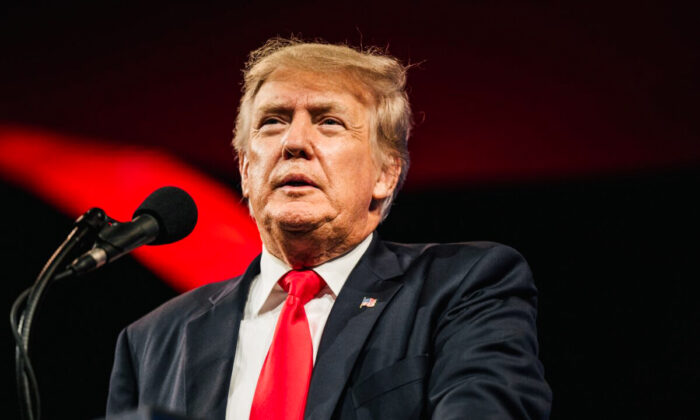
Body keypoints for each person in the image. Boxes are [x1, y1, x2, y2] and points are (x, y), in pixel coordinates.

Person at [106, 38, 552, 419]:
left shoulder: (462, 286)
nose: (294, 143)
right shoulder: (153, 339)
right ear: (245, 170)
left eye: (329, 122)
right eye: (273, 121)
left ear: (385, 174)